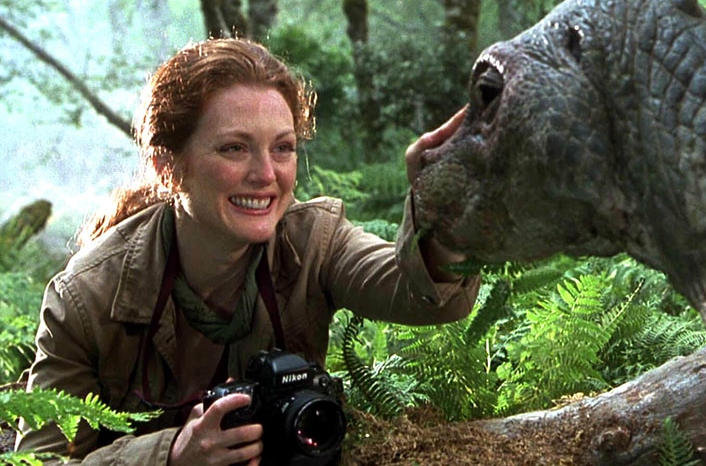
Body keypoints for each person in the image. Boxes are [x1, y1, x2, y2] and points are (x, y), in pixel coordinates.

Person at [15, 38, 480, 465]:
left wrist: (443, 216)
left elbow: (420, 292)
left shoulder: (312, 241)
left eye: (283, 148)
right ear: (168, 167)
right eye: (234, 148)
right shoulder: (88, 297)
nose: (266, 174)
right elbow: (36, 460)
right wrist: (171, 456)